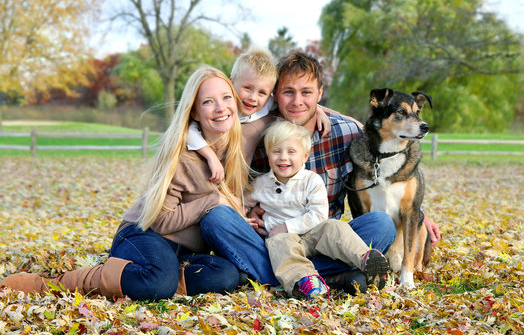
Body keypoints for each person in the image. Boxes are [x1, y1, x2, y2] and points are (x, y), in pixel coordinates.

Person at [0, 66, 251, 300]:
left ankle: (149, 278)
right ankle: (54, 283)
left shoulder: (233, 152)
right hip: (143, 235)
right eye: (208, 101)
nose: (221, 107)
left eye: (226, 97)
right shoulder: (183, 157)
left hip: (183, 254)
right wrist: (213, 201)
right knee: (159, 281)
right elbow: (162, 220)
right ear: (194, 111)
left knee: (226, 275)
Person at [200, 51, 441, 294]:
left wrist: (418, 213)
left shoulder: (347, 132)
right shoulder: (257, 134)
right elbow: (232, 190)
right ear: (275, 95)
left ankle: (283, 275)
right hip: (274, 241)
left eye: (306, 92)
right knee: (216, 219)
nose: (297, 102)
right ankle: (335, 274)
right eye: (288, 92)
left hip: (325, 239)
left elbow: (384, 160)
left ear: (319, 94)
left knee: (381, 225)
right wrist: (245, 214)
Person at [247, 120, 390, 299]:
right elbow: (241, 204)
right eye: (276, 151)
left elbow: (318, 214)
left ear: (305, 156)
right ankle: (307, 280)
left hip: (313, 235)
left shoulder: (311, 181)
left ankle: (366, 259)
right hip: (284, 240)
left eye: (291, 152)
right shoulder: (260, 184)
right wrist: (246, 215)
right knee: (278, 244)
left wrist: (287, 226)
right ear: (268, 155)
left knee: (334, 227)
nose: (283, 157)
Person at [187, 47, 333, 181]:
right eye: (247, 88)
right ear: (231, 84)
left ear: (270, 94)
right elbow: (188, 131)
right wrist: (209, 155)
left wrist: (319, 110)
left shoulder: (266, 104)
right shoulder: (223, 109)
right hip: (206, 171)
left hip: (236, 180)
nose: (253, 98)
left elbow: (297, 104)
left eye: (262, 92)